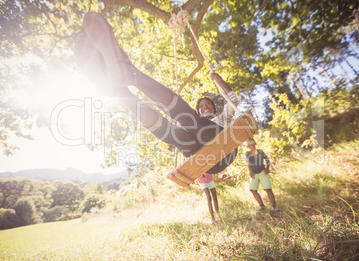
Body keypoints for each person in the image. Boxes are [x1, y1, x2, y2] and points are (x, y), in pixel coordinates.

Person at [74, 12, 239, 174]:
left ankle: (131, 76)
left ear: (214, 108)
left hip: (225, 152)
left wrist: (218, 80)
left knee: (190, 121)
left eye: (208, 104)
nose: (204, 107)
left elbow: (232, 100)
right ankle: (123, 92)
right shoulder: (193, 124)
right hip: (201, 161)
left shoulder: (223, 119)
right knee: (177, 133)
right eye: (201, 105)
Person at [245, 138, 280, 213]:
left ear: (254, 144)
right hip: (254, 173)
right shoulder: (247, 153)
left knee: (268, 189)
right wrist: (250, 171)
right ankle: (262, 206)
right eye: (248, 143)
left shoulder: (260, 151)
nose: (249, 144)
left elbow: (267, 159)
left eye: (251, 142)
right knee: (253, 190)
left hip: (262, 171)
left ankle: (274, 206)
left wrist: (267, 167)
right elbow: (248, 163)